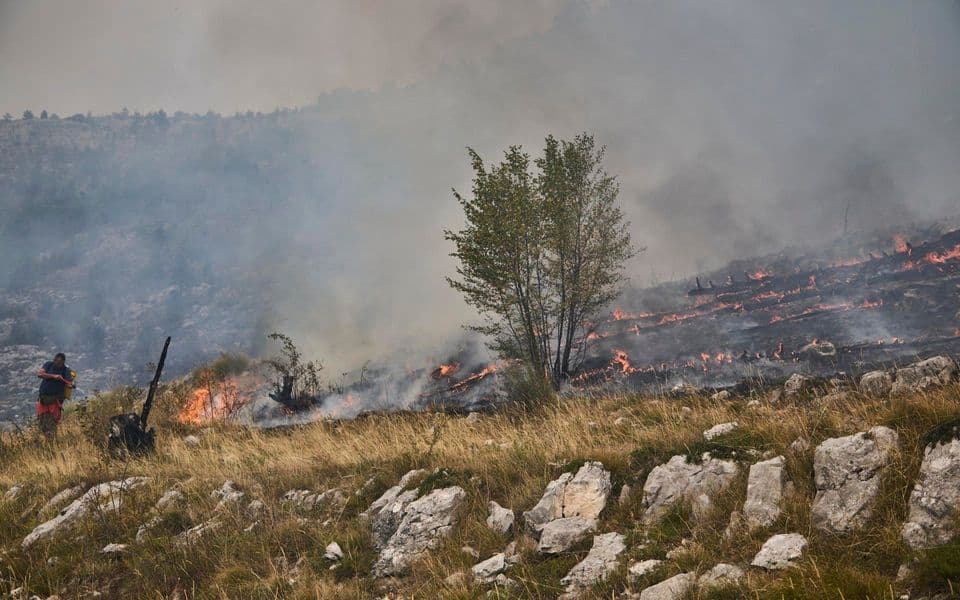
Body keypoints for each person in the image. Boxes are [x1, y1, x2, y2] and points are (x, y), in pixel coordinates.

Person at [37, 352, 73, 438]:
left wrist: (69, 384)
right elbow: (40, 374)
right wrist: (54, 376)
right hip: (43, 399)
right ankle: (48, 441)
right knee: (42, 421)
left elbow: (69, 382)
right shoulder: (48, 364)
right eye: (56, 360)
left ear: (63, 362)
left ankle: (52, 442)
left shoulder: (66, 370)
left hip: (55, 400)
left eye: (59, 362)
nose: (57, 363)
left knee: (52, 421)